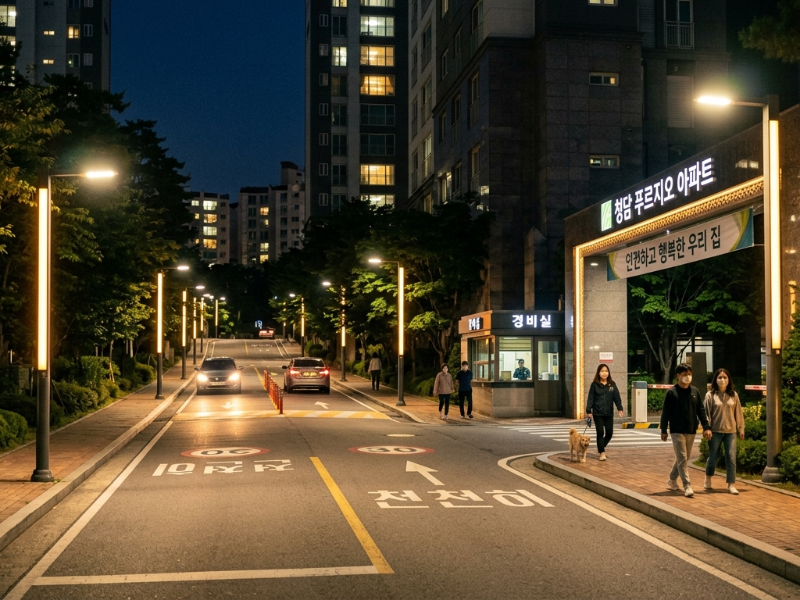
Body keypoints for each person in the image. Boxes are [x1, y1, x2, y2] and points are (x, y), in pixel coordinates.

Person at [660, 363, 712, 497]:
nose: (687, 377)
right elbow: (665, 412)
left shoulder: (695, 391)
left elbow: (701, 410)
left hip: (691, 429)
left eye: (689, 374)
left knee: (684, 458)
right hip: (677, 430)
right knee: (682, 458)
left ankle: (672, 479)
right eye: (684, 374)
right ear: (678, 376)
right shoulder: (672, 393)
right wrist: (664, 429)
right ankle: (687, 485)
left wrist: (706, 427)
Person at [704, 368, 745, 495]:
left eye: (725, 377)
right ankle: (708, 478)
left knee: (731, 457)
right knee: (713, 457)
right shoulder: (710, 395)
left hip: (730, 431)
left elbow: (738, 412)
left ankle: (731, 484)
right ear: (715, 380)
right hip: (715, 431)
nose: (722, 380)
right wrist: (707, 428)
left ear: (729, 380)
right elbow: (706, 414)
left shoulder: (734, 395)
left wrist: (741, 428)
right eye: (720, 377)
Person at [585, 363, 624, 461]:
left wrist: (620, 408)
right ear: (598, 373)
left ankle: (601, 446)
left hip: (609, 413)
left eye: (606, 371)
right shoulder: (594, 385)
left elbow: (617, 397)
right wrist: (588, 410)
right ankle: (602, 453)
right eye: (602, 371)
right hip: (597, 413)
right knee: (600, 432)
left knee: (609, 433)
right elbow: (591, 398)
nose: (604, 373)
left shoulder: (612, 384)